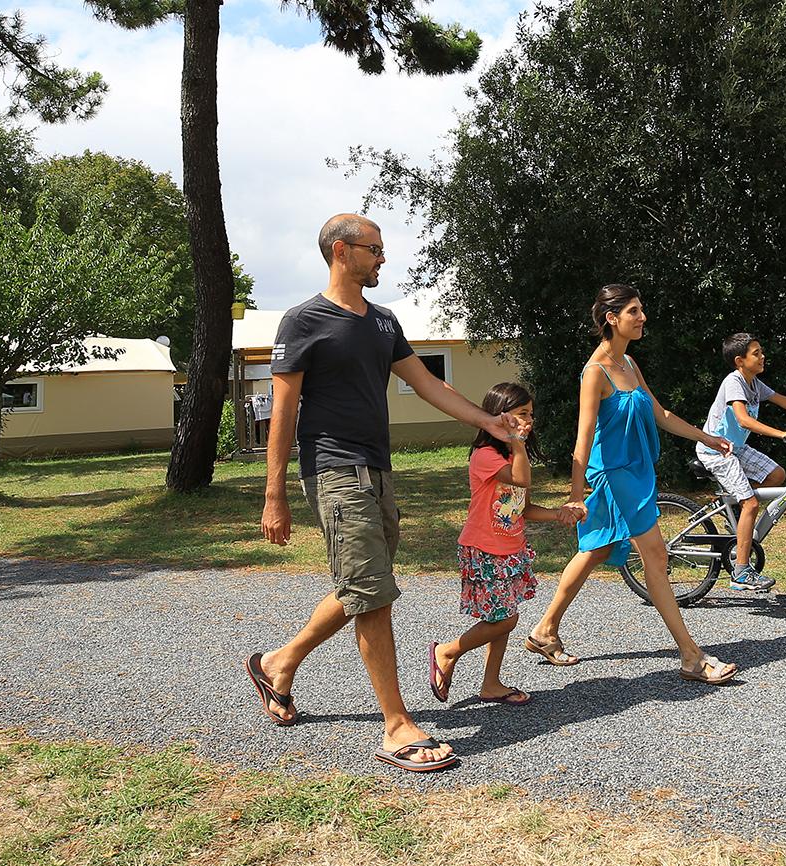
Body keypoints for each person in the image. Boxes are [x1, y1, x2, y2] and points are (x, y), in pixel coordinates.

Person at [249, 213, 523, 774]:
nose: (381, 259)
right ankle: (396, 725)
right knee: (372, 590)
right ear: (342, 252)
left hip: (378, 469)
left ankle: (279, 663)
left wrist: (489, 422)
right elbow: (284, 407)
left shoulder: (383, 322)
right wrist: (273, 492)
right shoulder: (303, 321)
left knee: (361, 584)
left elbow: (426, 383)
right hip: (332, 468)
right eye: (373, 249)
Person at [523, 284, 740, 684]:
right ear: (612, 318)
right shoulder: (596, 371)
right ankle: (692, 657)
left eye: (641, 310)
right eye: (634, 312)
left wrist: (705, 437)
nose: (642, 318)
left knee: (596, 548)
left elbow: (660, 413)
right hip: (614, 475)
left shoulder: (629, 363)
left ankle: (544, 631)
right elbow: (583, 438)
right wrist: (575, 494)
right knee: (655, 558)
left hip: (636, 471)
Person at [428, 383, 581, 707]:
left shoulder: (513, 454)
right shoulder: (486, 456)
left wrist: (558, 514)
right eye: (522, 414)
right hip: (484, 549)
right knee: (505, 619)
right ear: (500, 417)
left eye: (531, 414)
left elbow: (521, 507)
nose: (529, 420)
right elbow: (521, 480)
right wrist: (519, 444)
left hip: (510, 549)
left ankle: (491, 684)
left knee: (503, 617)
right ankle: (447, 650)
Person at [695, 333, 786, 592]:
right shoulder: (734, 382)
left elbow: (784, 400)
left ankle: (739, 520)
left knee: (777, 475)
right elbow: (742, 420)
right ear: (740, 360)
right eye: (756, 353)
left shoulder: (754, 384)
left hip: (735, 448)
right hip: (716, 450)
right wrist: (781, 433)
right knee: (750, 502)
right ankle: (740, 571)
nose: (762, 357)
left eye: (761, 352)